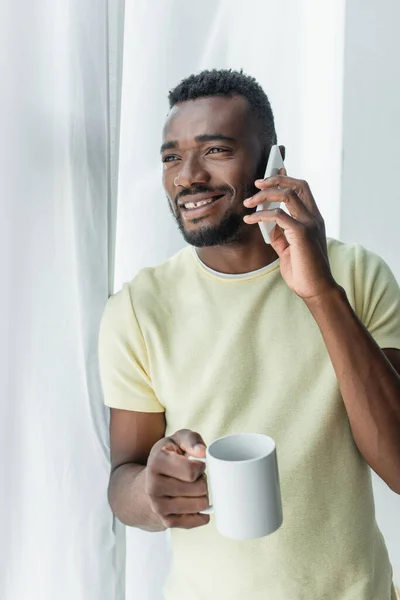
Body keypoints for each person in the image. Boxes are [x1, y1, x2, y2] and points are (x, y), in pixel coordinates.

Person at [98, 69, 400, 600]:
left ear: (273, 162)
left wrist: (321, 293)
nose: (187, 175)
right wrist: (152, 491)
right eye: (171, 157)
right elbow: (124, 477)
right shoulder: (138, 309)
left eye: (215, 150)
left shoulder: (358, 277)